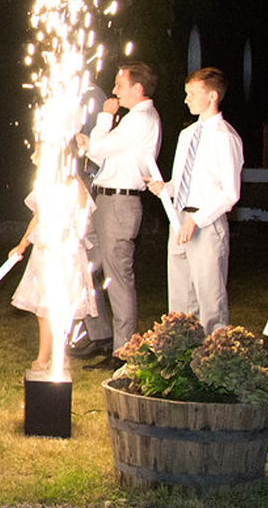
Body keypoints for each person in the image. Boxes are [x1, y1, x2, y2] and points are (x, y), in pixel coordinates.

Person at [74, 61, 161, 369]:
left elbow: (102, 146)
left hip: (121, 204)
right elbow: (99, 151)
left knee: (118, 277)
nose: (113, 91)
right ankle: (101, 335)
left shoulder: (140, 119)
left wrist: (104, 118)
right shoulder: (133, 119)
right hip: (106, 200)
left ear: (138, 88)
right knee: (88, 266)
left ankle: (124, 351)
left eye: (119, 85)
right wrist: (92, 144)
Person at [143, 67, 242, 338]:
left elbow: (230, 194)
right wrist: (164, 188)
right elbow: (180, 182)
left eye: (192, 94)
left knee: (210, 300)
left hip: (206, 224)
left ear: (212, 96)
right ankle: (180, 359)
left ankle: (215, 360)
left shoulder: (226, 137)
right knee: (180, 300)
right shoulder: (187, 135)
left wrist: (197, 221)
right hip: (179, 220)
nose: (186, 99)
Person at [8, 167, 96, 376]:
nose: (32, 160)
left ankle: (56, 356)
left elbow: (83, 220)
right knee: (43, 306)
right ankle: (45, 357)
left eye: (35, 155)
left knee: (58, 305)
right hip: (43, 249)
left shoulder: (74, 185)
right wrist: (23, 244)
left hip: (63, 252)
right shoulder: (44, 180)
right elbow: (38, 215)